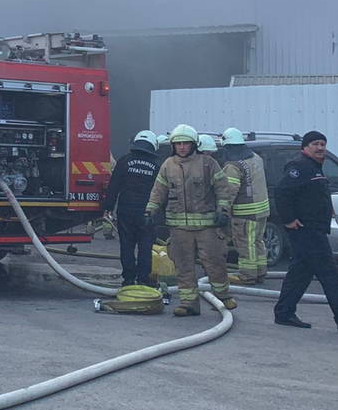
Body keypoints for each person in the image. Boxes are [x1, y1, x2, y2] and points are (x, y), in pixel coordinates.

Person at [272, 130, 338, 333]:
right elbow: (282, 192)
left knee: (300, 274)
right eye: (315, 144)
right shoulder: (300, 167)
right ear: (305, 147)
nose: (320, 148)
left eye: (323, 144)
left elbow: (313, 195)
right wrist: (288, 219)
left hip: (315, 229)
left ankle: (284, 312)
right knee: (330, 274)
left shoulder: (314, 167)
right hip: (307, 231)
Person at [145, 123, 236, 316]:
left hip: (207, 227)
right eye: (178, 144)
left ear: (194, 144)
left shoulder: (208, 163)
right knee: (183, 266)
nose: (182, 147)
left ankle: (223, 296)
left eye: (185, 143)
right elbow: (158, 191)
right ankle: (189, 304)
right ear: (173, 145)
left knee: (214, 262)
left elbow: (222, 189)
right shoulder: (168, 165)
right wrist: (150, 211)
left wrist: (223, 211)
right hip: (179, 228)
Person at [103, 129, 162, 286]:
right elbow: (162, 191)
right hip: (147, 212)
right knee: (145, 246)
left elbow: (114, 186)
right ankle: (143, 279)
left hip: (125, 211)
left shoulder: (124, 161)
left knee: (127, 246)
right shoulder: (157, 165)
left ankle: (128, 279)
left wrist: (108, 206)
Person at [219, 128, 271, 285]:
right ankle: (260, 272)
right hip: (262, 210)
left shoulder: (233, 166)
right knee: (257, 242)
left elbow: (229, 192)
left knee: (245, 245)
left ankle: (247, 275)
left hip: (245, 213)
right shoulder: (256, 158)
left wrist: (222, 211)